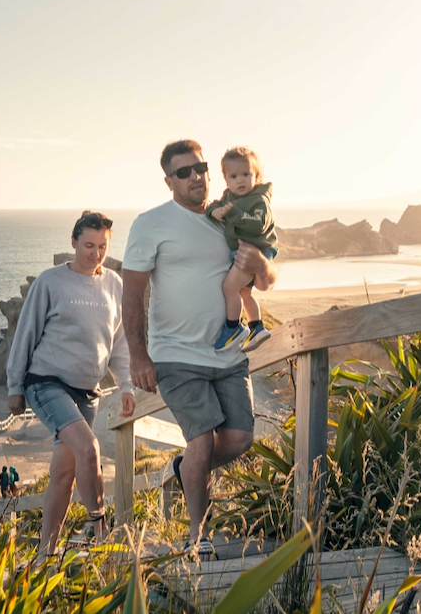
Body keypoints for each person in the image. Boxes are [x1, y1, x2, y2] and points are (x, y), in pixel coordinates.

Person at [122, 140, 278, 558]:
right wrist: (139, 355)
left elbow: (264, 281)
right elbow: (132, 292)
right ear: (169, 181)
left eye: (200, 168)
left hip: (229, 352)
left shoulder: (230, 216)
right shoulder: (151, 223)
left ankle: (181, 471)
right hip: (176, 354)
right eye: (183, 172)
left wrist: (261, 264)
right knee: (202, 441)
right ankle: (198, 536)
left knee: (241, 439)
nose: (195, 177)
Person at [6, 211, 137, 555]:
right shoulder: (50, 282)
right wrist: (14, 387)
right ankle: (101, 528)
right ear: (73, 242)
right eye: (89, 245)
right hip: (46, 383)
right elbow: (25, 334)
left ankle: (46, 555)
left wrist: (125, 385)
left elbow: (120, 342)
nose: (95, 253)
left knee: (63, 475)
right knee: (89, 448)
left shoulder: (113, 284)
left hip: (87, 393)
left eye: (102, 246)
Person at [207, 146, 279, 352]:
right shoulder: (229, 197)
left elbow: (259, 224)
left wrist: (233, 214)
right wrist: (216, 212)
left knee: (229, 288)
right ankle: (256, 327)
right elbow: (214, 205)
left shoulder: (259, 199)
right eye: (234, 176)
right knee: (243, 292)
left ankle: (233, 327)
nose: (240, 180)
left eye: (246, 174)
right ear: (226, 179)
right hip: (244, 251)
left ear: (255, 175)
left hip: (255, 251)